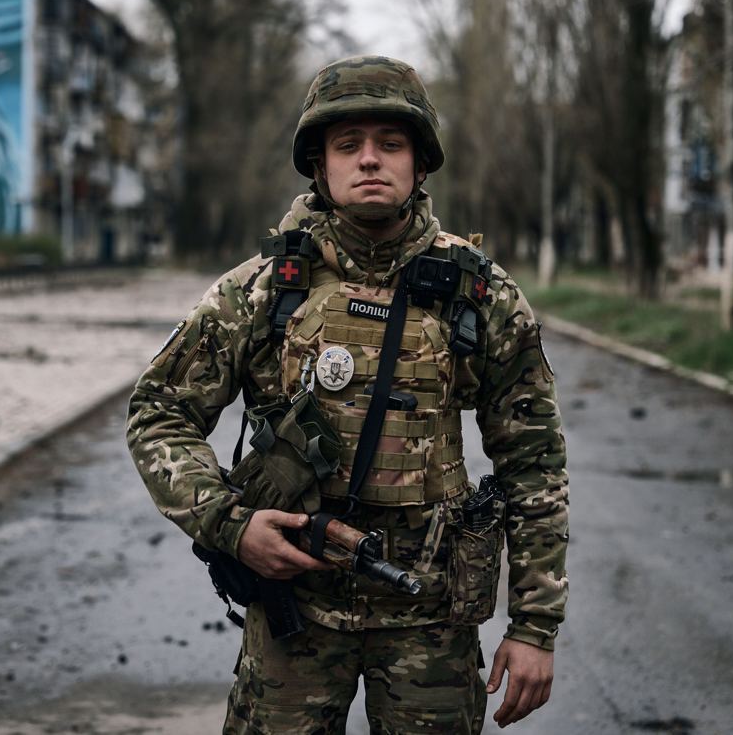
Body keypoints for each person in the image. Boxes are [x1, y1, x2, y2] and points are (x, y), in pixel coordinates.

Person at [126, 55, 569, 732]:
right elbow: (158, 413)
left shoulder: (480, 294)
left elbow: (534, 462)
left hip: (431, 620)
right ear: (319, 164)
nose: (369, 159)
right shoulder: (265, 288)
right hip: (294, 617)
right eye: (347, 145)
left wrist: (535, 625)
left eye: (390, 143)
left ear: (420, 164)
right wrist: (230, 523)